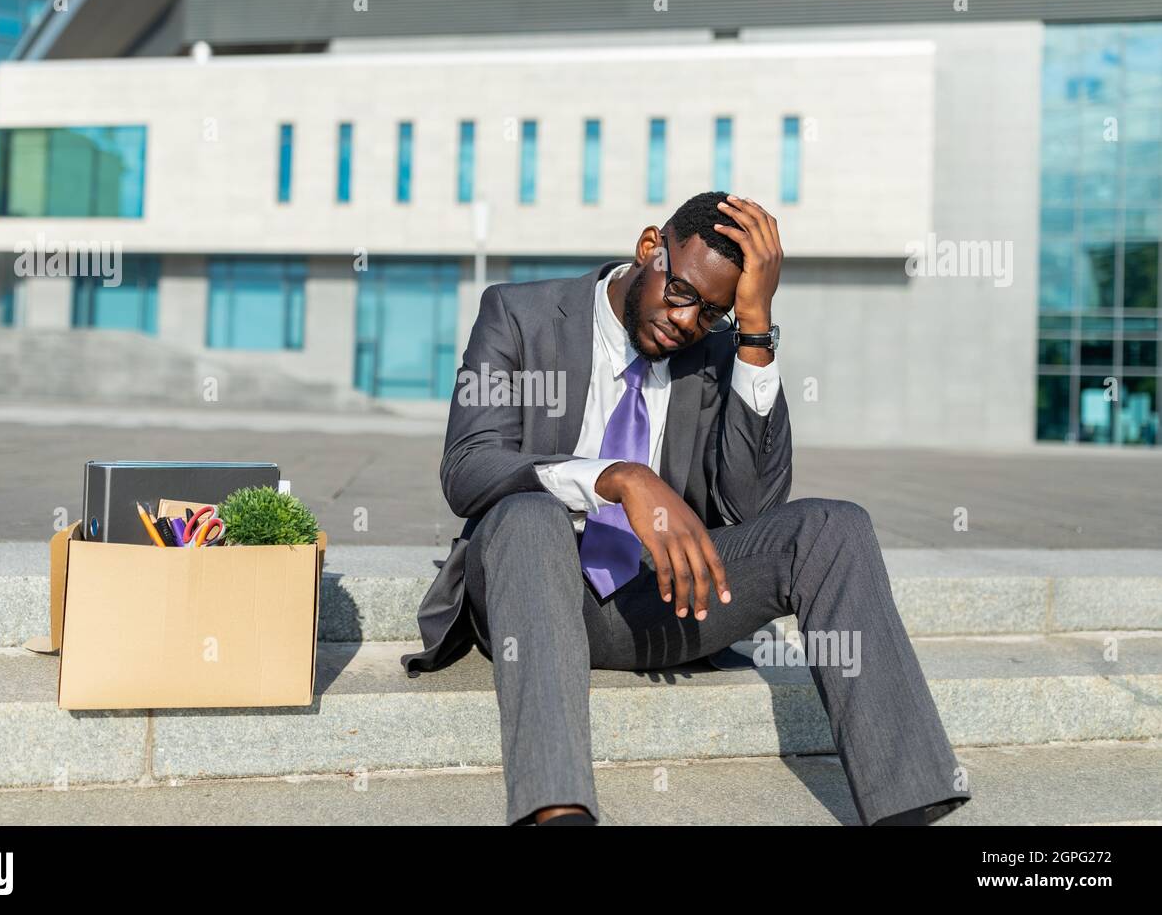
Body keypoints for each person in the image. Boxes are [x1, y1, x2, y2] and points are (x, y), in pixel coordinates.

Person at [400, 190, 971, 827]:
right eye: (681, 293)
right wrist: (616, 478)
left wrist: (754, 337)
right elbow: (469, 467)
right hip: (530, 588)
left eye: (713, 312)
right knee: (528, 514)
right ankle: (558, 814)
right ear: (651, 248)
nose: (686, 322)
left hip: (663, 597)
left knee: (834, 526)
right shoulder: (518, 312)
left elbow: (751, 507)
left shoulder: (718, 349)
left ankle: (907, 808)